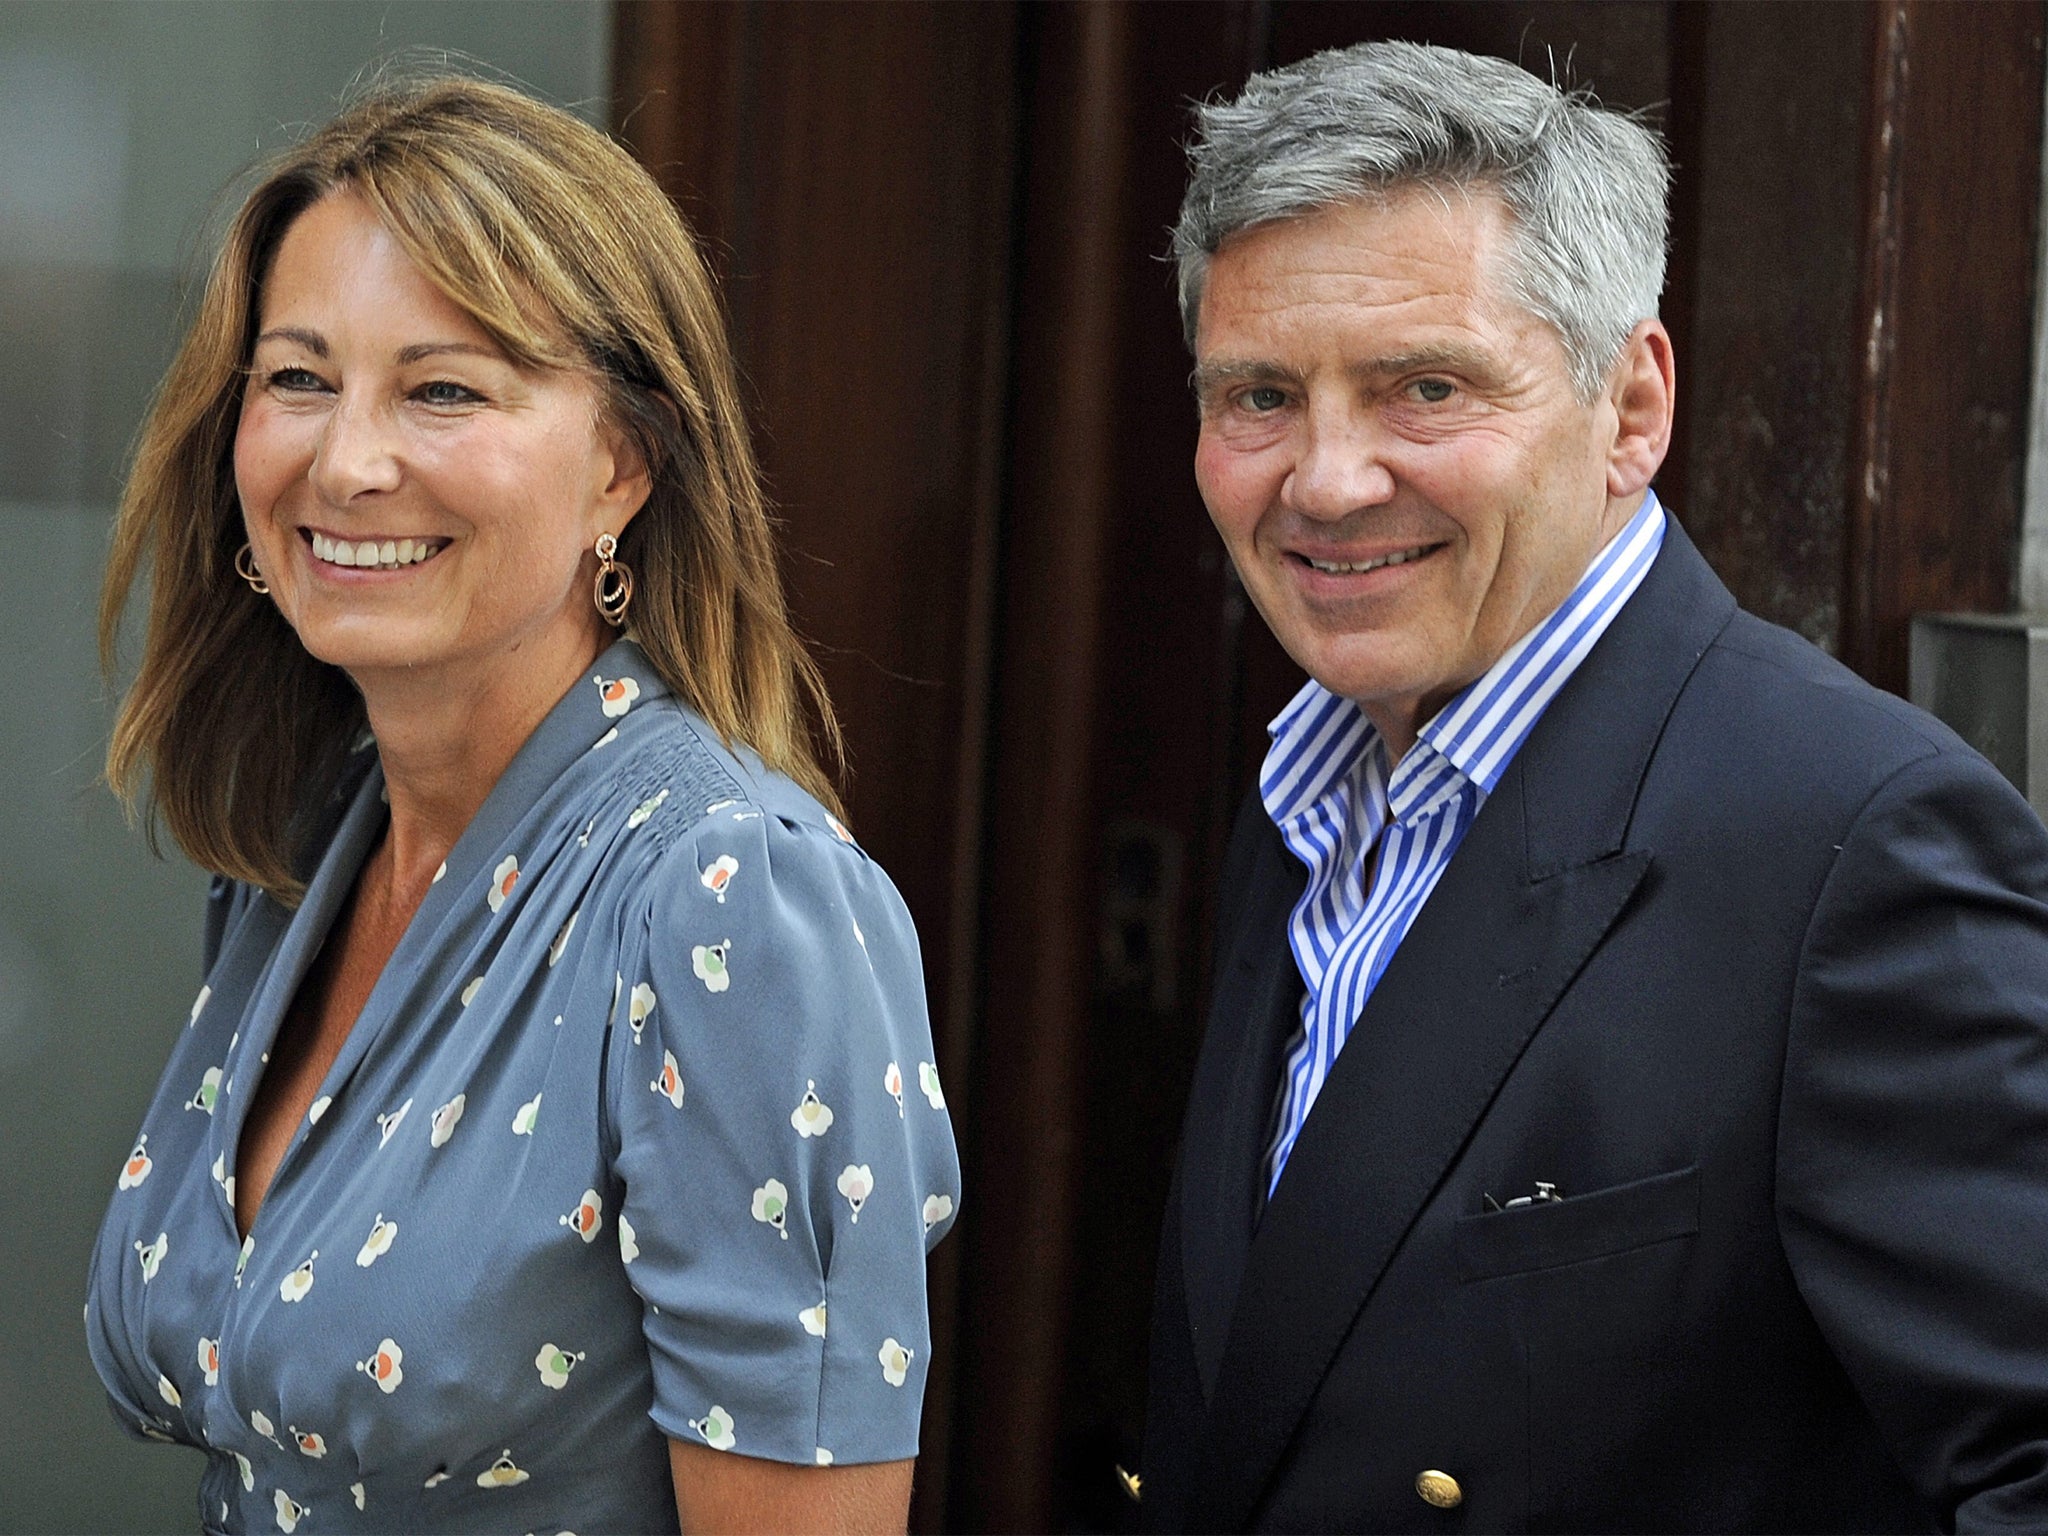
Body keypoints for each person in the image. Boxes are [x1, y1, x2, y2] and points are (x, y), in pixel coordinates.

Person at [1140, 40, 2048, 1533]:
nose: (1325, 479)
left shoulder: (1853, 846)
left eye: (1423, 387)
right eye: (1257, 396)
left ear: (1632, 407)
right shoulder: (1316, 788)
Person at [86, 75, 958, 1535]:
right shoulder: (305, 846)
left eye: (443, 390)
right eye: (299, 379)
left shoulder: (733, 895)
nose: (348, 462)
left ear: (624, 463)